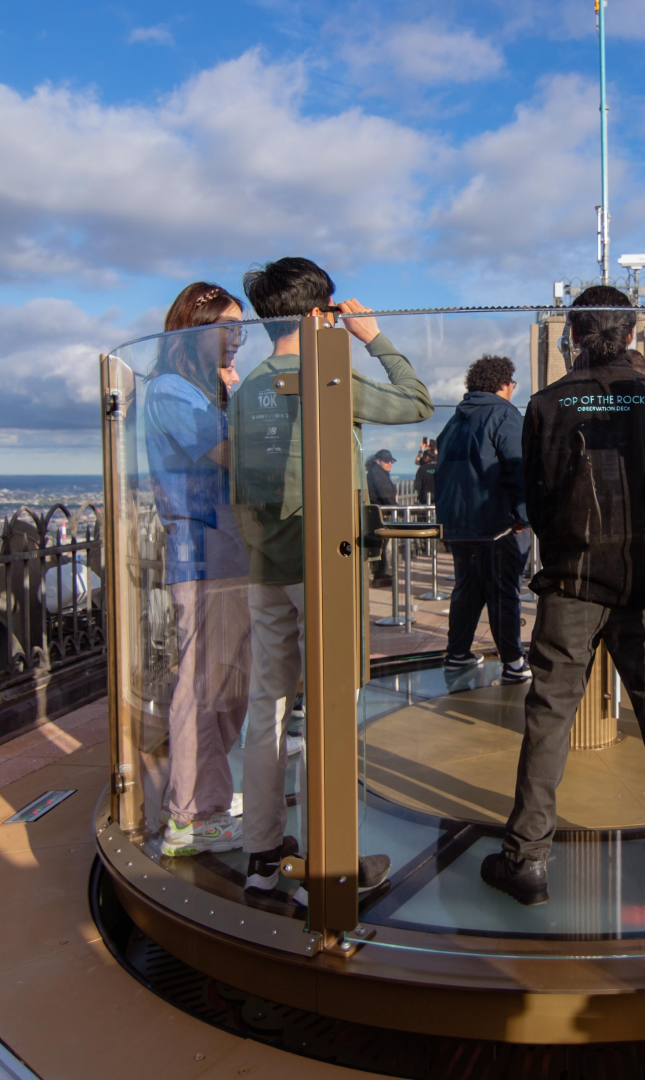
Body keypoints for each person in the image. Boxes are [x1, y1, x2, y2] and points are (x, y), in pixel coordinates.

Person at [481, 286, 645, 906]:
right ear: (631, 335)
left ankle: (528, 860)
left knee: (549, 717)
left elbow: (537, 500)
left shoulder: (545, 404)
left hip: (571, 580)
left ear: (574, 336)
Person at [230, 256, 433, 893]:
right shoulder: (331, 376)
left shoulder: (249, 389)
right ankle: (330, 860)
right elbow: (418, 401)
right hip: (324, 562)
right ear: (321, 314)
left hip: (266, 565)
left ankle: (262, 854)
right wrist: (374, 339)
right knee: (332, 707)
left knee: (267, 707)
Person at [145, 282, 253, 857]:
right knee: (206, 688)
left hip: (226, 556)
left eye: (240, 329)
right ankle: (192, 814)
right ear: (195, 327)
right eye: (228, 328)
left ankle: (203, 798)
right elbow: (231, 453)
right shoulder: (170, 391)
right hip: (206, 557)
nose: (237, 340)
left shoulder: (193, 392)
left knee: (227, 686)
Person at [435, 355, 531, 682]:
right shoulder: (504, 414)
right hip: (497, 525)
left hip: (459, 525)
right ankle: (514, 662)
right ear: (503, 384)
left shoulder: (454, 421)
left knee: (468, 589)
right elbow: (519, 467)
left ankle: (458, 654)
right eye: (512, 383)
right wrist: (523, 516)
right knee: (504, 591)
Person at [365, 449, 400, 587]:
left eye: (391, 461)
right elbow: (386, 496)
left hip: (377, 515)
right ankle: (379, 575)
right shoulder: (378, 475)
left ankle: (380, 573)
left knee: (380, 546)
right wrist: (399, 510)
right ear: (378, 461)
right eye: (387, 461)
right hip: (379, 516)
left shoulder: (375, 472)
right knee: (380, 546)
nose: (390, 463)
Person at [413, 438, 439, 506]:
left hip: (425, 500)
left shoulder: (422, 468)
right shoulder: (441, 464)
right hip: (439, 498)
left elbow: (417, 461)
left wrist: (421, 450)